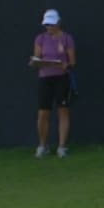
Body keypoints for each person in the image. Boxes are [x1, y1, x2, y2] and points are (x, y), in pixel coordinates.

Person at [30, 9, 76, 158]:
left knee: (63, 110)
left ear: (58, 23)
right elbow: (37, 58)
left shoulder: (67, 38)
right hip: (45, 79)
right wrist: (35, 62)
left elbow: (72, 61)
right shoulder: (40, 39)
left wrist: (66, 65)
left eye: (51, 24)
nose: (49, 27)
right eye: (47, 24)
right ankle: (43, 146)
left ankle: (62, 147)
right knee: (43, 113)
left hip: (61, 78)